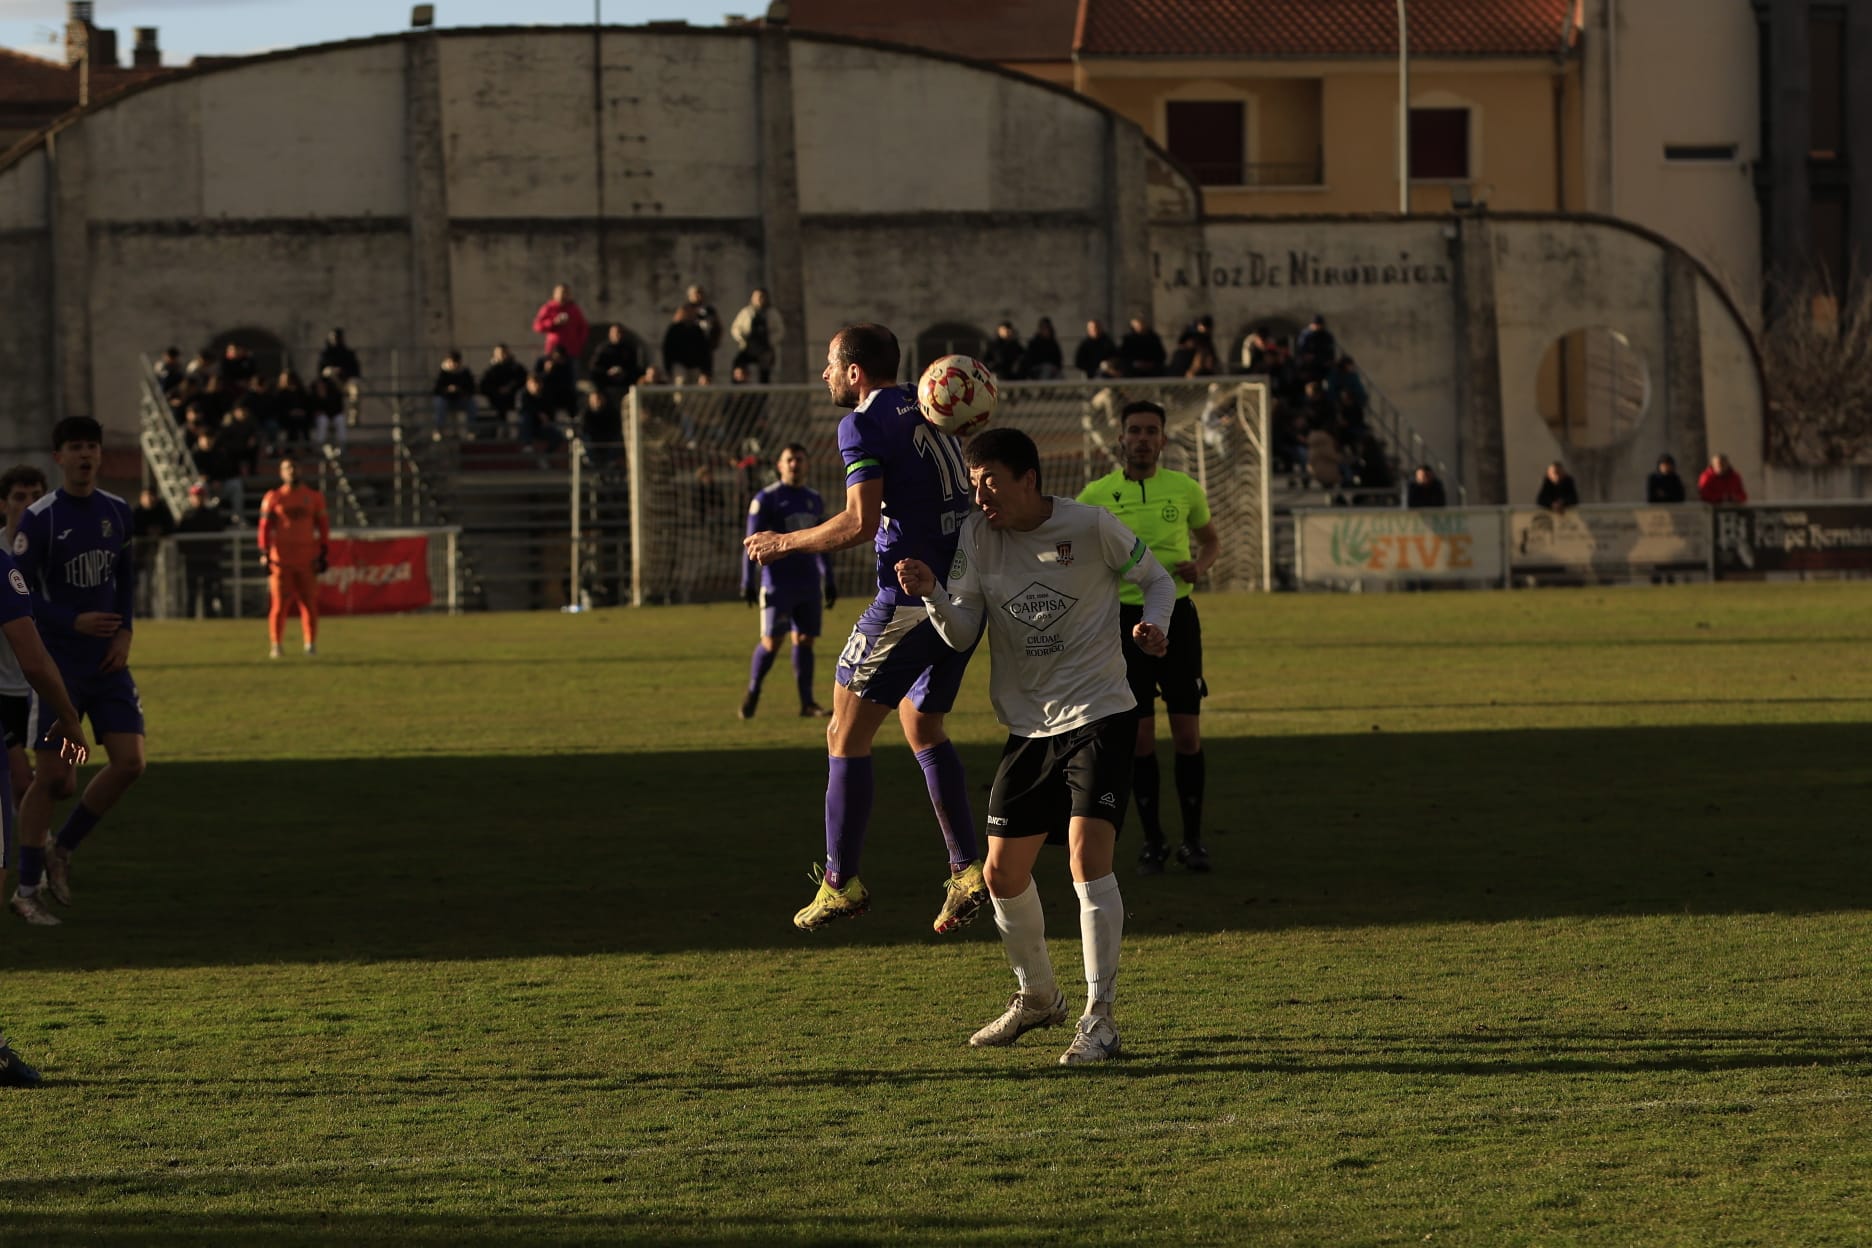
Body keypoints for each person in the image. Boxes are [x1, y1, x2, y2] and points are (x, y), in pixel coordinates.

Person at [896, 426, 1174, 1065]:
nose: (981, 496)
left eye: (990, 483)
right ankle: (1038, 997)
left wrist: (1153, 626)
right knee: (1000, 873)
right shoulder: (976, 536)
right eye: (974, 485)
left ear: (1029, 478)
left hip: (1101, 712)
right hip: (1028, 728)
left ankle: (1099, 1018)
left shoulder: (1091, 526)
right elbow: (963, 632)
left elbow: (1156, 582)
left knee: (1085, 859)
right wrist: (934, 593)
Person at [743, 323, 986, 935]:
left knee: (842, 734)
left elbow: (858, 521)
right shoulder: (927, 401)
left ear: (855, 372)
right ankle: (966, 870)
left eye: (830, 364)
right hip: (962, 593)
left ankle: (840, 883)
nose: (825, 374)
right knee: (920, 723)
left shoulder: (862, 422)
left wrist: (785, 541)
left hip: (907, 599)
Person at [1077, 400, 1220, 874]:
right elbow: (1074, 552)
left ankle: (1193, 841)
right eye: (1134, 430)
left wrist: (1200, 565)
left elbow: (1211, 540)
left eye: (1151, 431)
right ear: (1120, 439)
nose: (1142, 438)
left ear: (1162, 440)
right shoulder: (1095, 495)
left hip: (1177, 616)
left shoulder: (1185, 489)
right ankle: (1153, 841)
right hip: (1120, 622)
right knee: (1138, 737)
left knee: (1186, 734)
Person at [9, 417, 140, 926]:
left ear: (100, 455)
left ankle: (61, 848)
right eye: (75, 448)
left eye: (92, 447)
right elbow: (18, 596)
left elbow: (126, 581)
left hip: (108, 665)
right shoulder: (41, 519)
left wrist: (125, 633)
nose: (85, 455)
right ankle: (25, 889)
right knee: (57, 777)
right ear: (58, 457)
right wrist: (73, 620)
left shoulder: (117, 512)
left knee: (130, 762)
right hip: (59, 670)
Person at [740, 444, 837, 720]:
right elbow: (751, 541)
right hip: (777, 584)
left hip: (808, 584)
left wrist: (828, 578)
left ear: (807, 465)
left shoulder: (814, 499)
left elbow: (822, 541)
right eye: (789, 460)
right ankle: (753, 689)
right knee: (772, 642)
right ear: (780, 465)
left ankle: (807, 703)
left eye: (799, 460)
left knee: (805, 640)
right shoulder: (766, 498)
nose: (795, 464)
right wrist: (748, 580)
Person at [0, 464, 48, 803]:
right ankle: (35, 851)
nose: (28, 504)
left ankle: (41, 847)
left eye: (36, 496)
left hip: (44, 686)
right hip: (2, 687)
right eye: (19, 497)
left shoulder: (55, 550)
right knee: (20, 780)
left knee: (59, 781)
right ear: (3, 504)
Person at [257, 456, 330, 660]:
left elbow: (323, 526)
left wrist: (324, 550)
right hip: (281, 560)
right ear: (281, 472)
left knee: (309, 604)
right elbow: (264, 528)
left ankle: (310, 644)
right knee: (279, 605)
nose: (291, 471)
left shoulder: (314, 497)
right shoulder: (273, 497)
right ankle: (276, 644)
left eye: (294, 467)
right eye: (287, 468)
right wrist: (264, 552)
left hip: (307, 560)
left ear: (301, 469)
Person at [175, 484, 229, 618]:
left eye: (199, 496)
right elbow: (179, 537)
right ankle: (190, 615)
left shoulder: (211, 515)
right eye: (195, 496)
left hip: (208, 558)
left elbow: (219, 534)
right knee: (191, 590)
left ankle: (209, 615)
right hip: (192, 558)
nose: (197, 499)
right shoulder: (186, 516)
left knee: (209, 589)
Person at [130, 488, 173, 619]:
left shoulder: (162, 512)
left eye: (152, 496)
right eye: (146, 496)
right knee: (135, 584)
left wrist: (159, 531)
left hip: (157, 554)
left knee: (152, 584)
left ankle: (149, 612)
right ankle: (136, 611)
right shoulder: (136, 512)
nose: (149, 499)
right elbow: (130, 529)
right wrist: (146, 532)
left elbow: (170, 527)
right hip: (136, 555)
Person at [532, 284, 589, 375]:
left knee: (570, 378)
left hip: (571, 351)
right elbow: (537, 326)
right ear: (555, 294)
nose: (563, 295)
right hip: (553, 352)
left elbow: (583, 328)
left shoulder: (574, 309)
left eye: (566, 293)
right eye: (560, 293)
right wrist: (553, 322)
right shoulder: (548, 308)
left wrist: (579, 344)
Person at [729, 289, 785, 383]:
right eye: (757, 297)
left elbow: (780, 330)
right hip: (748, 347)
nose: (759, 299)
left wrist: (771, 341)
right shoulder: (746, 312)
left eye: (762, 297)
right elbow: (735, 328)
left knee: (765, 372)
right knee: (738, 365)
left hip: (765, 348)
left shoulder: (772, 313)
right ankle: (738, 391)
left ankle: (763, 396)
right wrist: (742, 338)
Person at [478, 344, 529, 437]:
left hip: (513, 397)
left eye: (504, 353)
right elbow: (484, 385)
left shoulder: (516, 367)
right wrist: (497, 390)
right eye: (499, 353)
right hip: (497, 399)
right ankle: (503, 429)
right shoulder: (491, 369)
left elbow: (523, 380)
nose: (502, 355)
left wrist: (510, 387)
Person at [431, 349, 477, 439]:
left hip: (460, 399)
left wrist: (460, 390)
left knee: (472, 403)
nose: (453, 365)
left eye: (456, 362)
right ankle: (438, 430)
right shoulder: (443, 373)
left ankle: (471, 431)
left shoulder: (465, 372)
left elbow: (471, 388)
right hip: (446, 400)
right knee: (439, 403)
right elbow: (437, 390)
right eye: (451, 362)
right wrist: (447, 390)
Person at [663, 304, 714, 385]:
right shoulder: (674, 330)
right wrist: (668, 369)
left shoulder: (697, 330)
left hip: (695, 366)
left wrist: (706, 370)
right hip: (679, 365)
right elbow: (668, 349)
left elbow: (704, 350)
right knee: (681, 384)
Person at [590, 325, 642, 401]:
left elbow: (634, 366)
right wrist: (608, 372)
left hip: (625, 380)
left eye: (619, 333)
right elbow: (595, 366)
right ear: (610, 334)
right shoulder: (603, 348)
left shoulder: (629, 348)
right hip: (606, 380)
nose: (617, 335)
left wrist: (623, 372)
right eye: (615, 333)